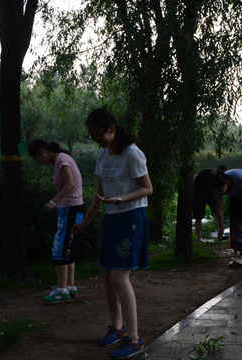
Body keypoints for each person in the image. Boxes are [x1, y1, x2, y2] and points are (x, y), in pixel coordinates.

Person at [71, 109, 152, 359]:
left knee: (118, 278)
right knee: (107, 275)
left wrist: (120, 199)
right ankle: (117, 328)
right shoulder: (102, 155)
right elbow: (99, 193)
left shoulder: (133, 154)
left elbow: (147, 188)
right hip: (111, 219)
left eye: (99, 135)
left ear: (112, 129)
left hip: (131, 219)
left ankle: (135, 339)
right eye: (92, 136)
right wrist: (85, 221)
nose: (96, 140)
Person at [28, 140, 84, 304]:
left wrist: (53, 202)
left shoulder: (61, 159)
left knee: (59, 247)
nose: (38, 162)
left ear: (42, 151)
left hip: (69, 208)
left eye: (36, 158)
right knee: (68, 246)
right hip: (75, 208)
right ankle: (70, 287)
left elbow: (70, 184)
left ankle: (61, 291)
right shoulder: (61, 158)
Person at [209, 169, 242, 268]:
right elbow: (219, 207)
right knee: (234, 223)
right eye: (217, 191)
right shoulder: (217, 188)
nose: (219, 193)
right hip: (236, 196)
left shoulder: (238, 177)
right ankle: (236, 256)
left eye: (220, 190)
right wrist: (221, 227)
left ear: (226, 183)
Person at [193, 166, 227, 242]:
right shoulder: (204, 173)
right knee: (198, 216)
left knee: (216, 212)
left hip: (211, 194)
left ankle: (220, 234)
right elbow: (194, 183)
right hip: (198, 194)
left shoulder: (220, 178)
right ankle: (199, 237)